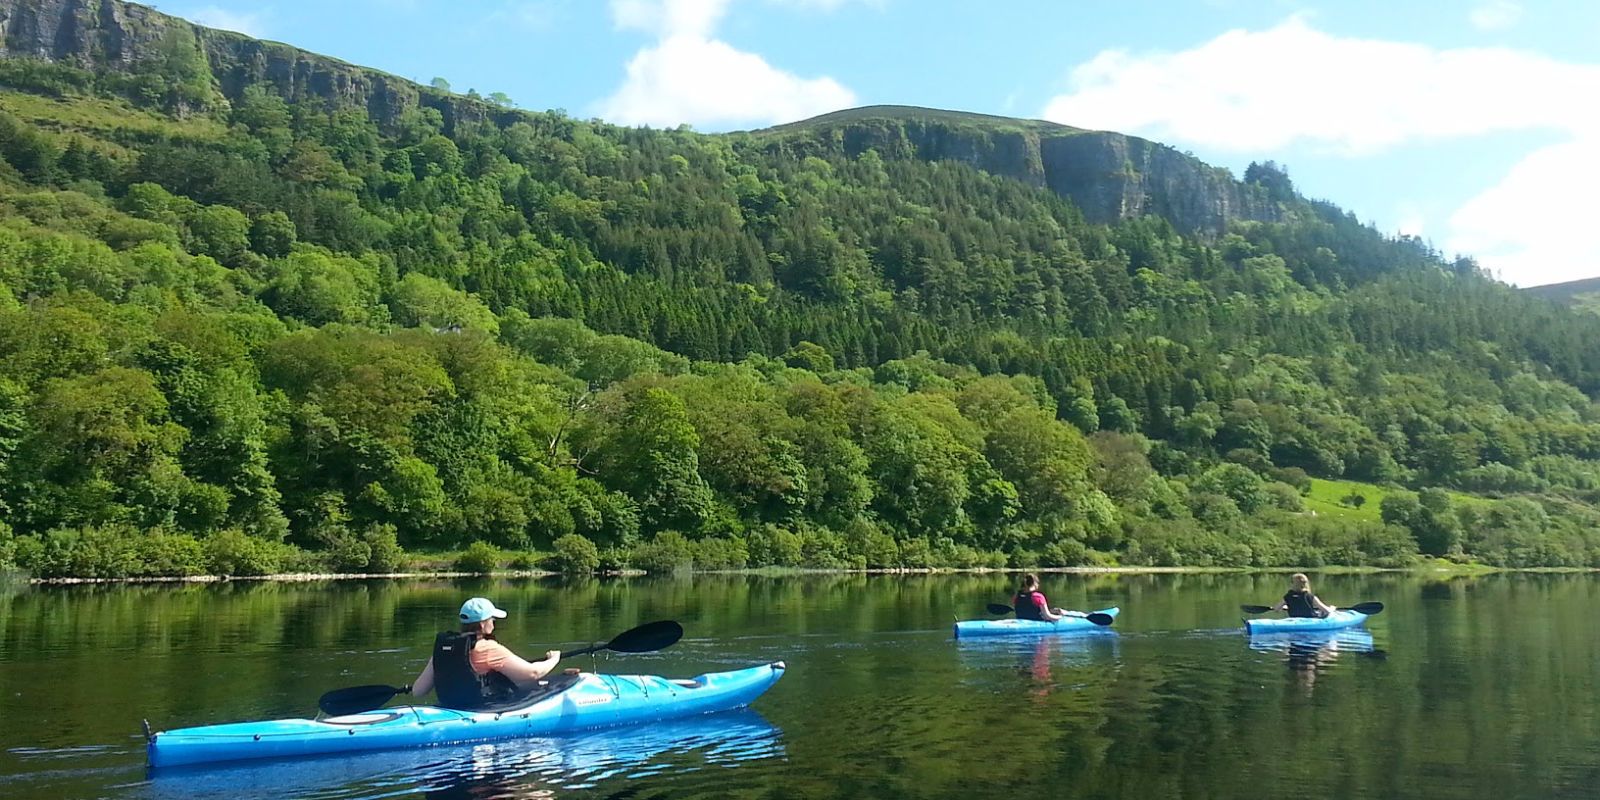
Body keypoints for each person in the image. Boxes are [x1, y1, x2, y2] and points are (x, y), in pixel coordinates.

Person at [409, 597, 563, 710]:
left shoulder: (444, 649)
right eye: (492, 619)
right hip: (481, 709)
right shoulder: (489, 648)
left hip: (450, 706)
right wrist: (554, 659)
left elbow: (418, 691)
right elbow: (533, 673)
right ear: (483, 624)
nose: (494, 623)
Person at [1013, 573, 1080, 622]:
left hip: (1021, 621)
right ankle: (1082, 616)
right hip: (1037, 622)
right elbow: (1047, 616)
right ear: (1035, 584)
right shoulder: (1038, 596)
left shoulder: (1017, 595)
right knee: (1061, 613)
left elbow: (1027, 608)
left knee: (1058, 610)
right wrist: (1061, 618)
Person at [1272, 573, 1337, 618]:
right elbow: (1327, 611)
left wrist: (1285, 606)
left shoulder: (1288, 596)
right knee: (1324, 613)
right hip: (1311, 620)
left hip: (1294, 620)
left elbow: (1276, 609)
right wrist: (1332, 608)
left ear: (1292, 583)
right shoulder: (1310, 596)